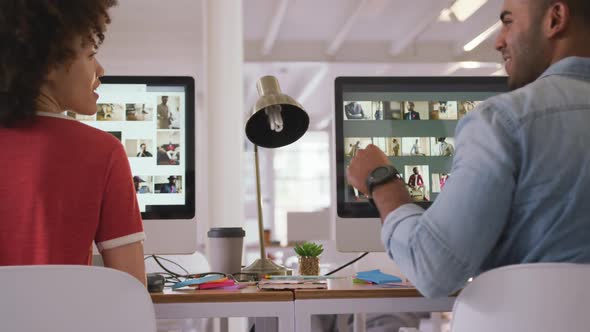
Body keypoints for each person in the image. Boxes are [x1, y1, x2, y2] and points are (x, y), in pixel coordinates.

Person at [346, 0, 590, 298]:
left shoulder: (504, 120)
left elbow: (433, 270)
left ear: (555, 18)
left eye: (508, 21)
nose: (498, 41)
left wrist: (381, 182)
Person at [0, 0, 146, 286]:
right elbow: (132, 292)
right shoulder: (103, 152)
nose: (100, 69)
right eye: (91, 55)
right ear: (50, 64)